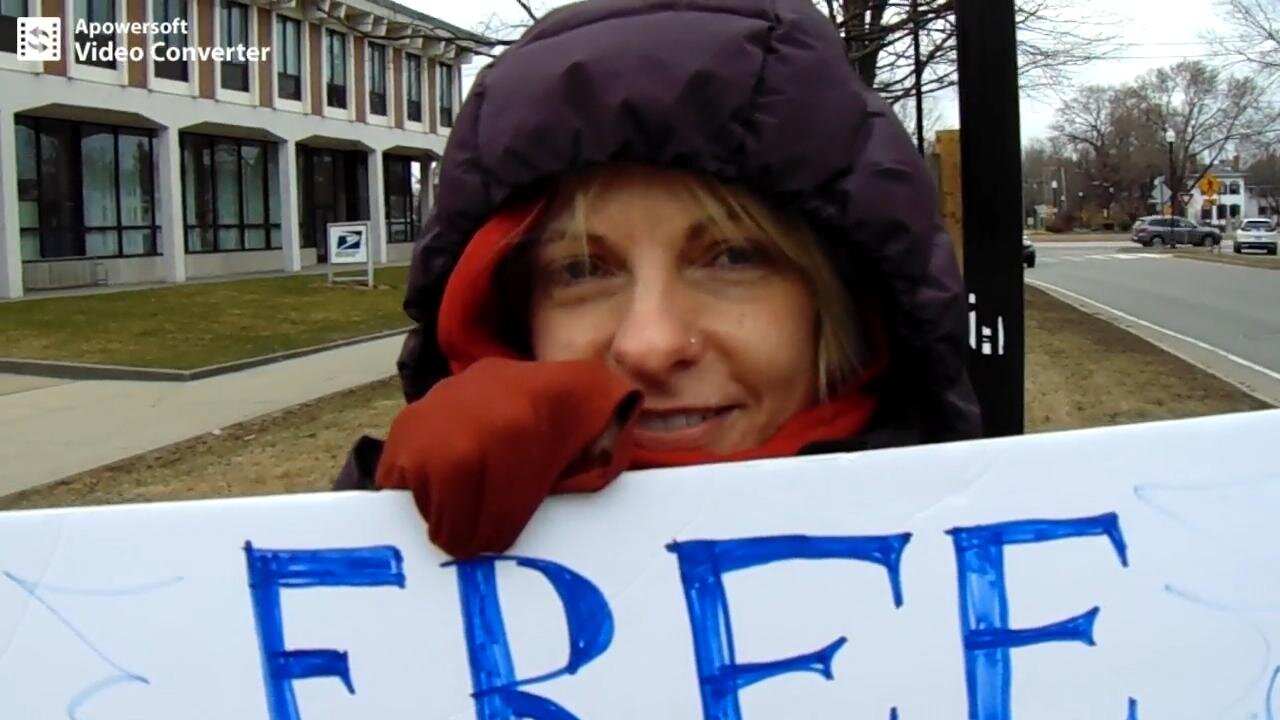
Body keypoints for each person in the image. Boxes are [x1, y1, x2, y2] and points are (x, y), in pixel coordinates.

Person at [336, 0, 981, 558]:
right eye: (583, 269)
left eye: (732, 257)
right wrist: (393, 514)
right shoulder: (422, 521)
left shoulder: (987, 545)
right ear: (511, 312)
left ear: (838, 296)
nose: (650, 344)